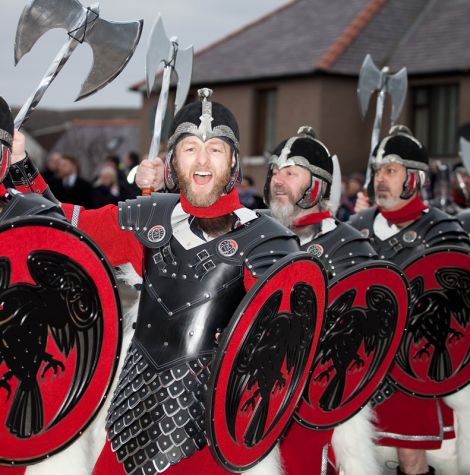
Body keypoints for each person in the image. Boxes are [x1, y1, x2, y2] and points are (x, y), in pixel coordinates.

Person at [11, 89, 301, 475]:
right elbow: (65, 228)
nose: (201, 160)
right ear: (173, 161)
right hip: (130, 414)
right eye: (189, 148)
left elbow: (284, 340)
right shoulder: (151, 217)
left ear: (233, 160)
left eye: (215, 149)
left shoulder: (266, 238)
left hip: (212, 431)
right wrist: (19, 164)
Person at [350, 125, 470, 475]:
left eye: (390, 170)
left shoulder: (443, 230)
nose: (380, 179)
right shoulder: (357, 227)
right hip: (362, 359)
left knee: (410, 453)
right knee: (353, 452)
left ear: (414, 178)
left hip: (416, 360)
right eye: (377, 172)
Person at [262, 126, 380, 475]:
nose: (277, 181)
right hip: (259, 392)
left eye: (290, 173)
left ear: (317, 186)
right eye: (275, 173)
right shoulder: (255, 235)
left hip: (320, 394)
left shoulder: (350, 247)